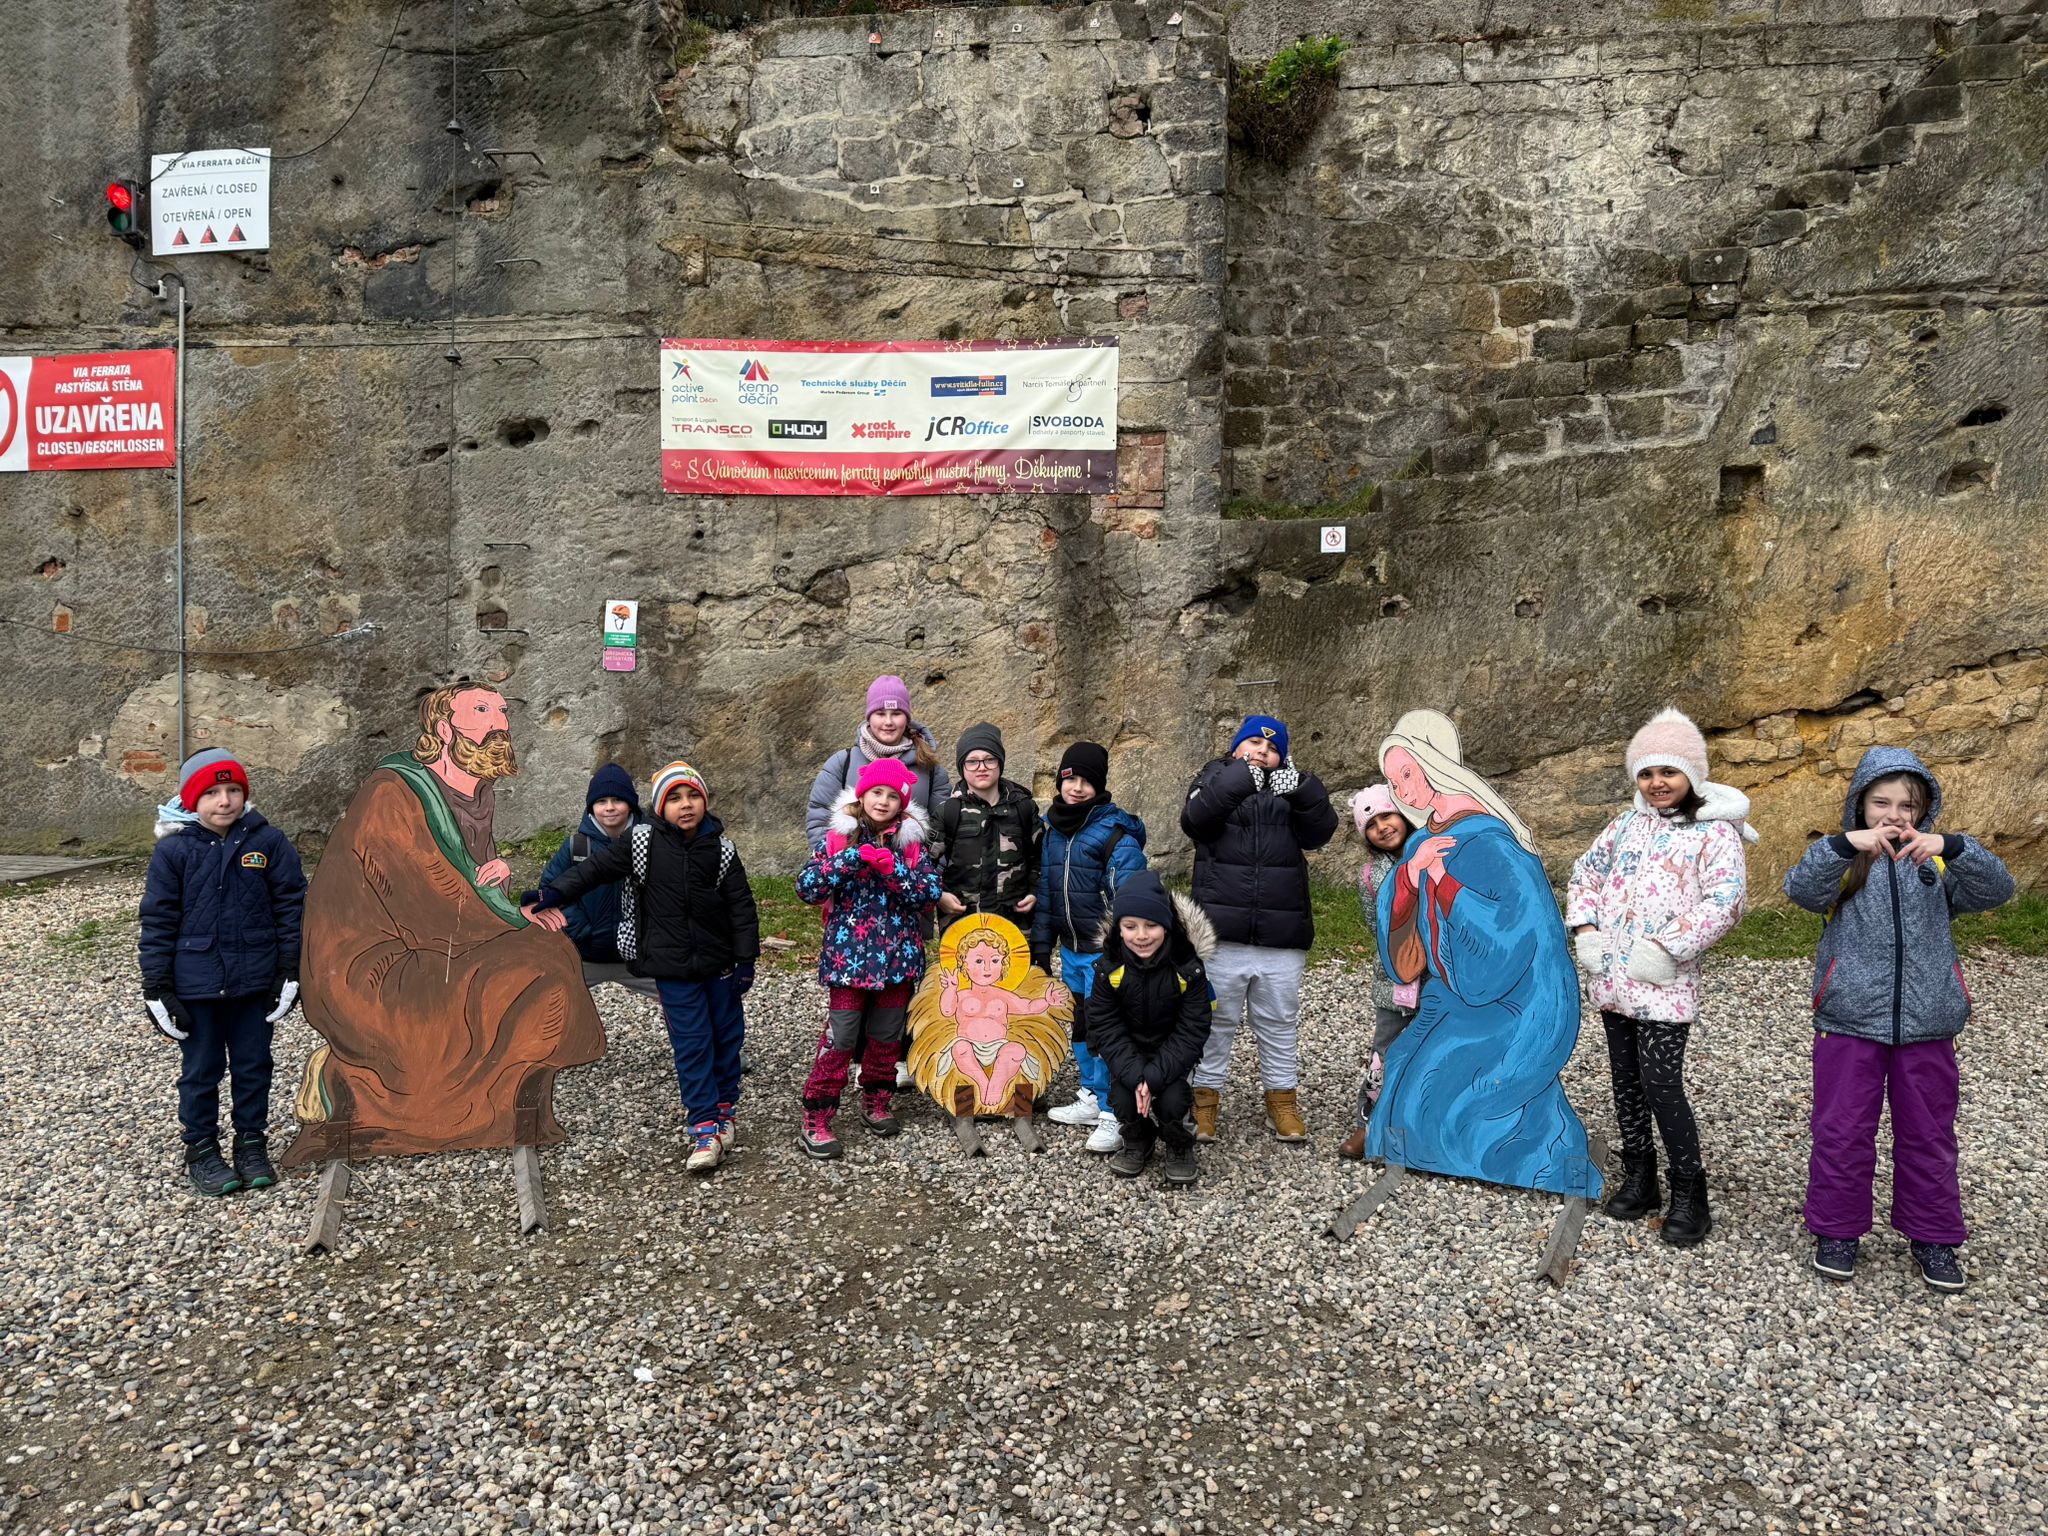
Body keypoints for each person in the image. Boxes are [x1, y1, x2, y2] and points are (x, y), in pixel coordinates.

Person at [282, 684, 606, 1171]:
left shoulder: (477, 791)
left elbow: (468, 880)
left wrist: (497, 875)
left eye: (501, 711)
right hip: (369, 964)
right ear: (443, 729)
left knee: (551, 952)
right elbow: (425, 892)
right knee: (536, 960)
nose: (499, 723)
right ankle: (358, 1082)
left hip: (439, 936)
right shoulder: (392, 793)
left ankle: (498, 1102)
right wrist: (512, 915)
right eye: (482, 711)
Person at [1784, 745, 2014, 1292]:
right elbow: (1802, 890)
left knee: (1929, 1133)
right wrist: (1844, 845)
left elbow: (1998, 890)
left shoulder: (1935, 862)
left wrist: (1954, 847)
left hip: (1928, 1021)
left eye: (1907, 805)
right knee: (1842, 1130)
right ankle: (1837, 1230)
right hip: (1848, 1018)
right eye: (1880, 803)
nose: (1893, 814)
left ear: (1923, 811)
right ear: (1859, 806)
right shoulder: (1843, 858)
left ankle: (1933, 1236)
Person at [1366, 709, 1602, 1200]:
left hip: (1519, 998)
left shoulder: (1493, 841)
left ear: (1434, 765)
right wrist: (1410, 876)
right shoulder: (1425, 839)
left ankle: (1535, 1157)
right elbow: (1404, 920)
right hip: (1458, 993)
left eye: (1407, 773)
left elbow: (1517, 927)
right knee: (1405, 1062)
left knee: (1442, 1087)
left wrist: (1443, 881)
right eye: (1393, 781)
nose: (1401, 790)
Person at [1566, 709, 1752, 1246]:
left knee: (1661, 1085)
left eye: (1669, 771)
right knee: (1625, 1082)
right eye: (1646, 774)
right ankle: (1640, 1176)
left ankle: (1690, 1193)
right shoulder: (1624, 825)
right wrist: (1586, 929)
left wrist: (1667, 946)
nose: (1657, 783)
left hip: (1665, 982)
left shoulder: (1713, 833)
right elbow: (1586, 873)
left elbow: (1725, 900)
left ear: (1692, 774)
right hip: (1613, 978)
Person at [524, 762, 759, 1174]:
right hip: (671, 967)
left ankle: (725, 1112)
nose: (685, 805)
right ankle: (704, 1128)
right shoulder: (642, 842)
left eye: (693, 796)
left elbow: (741, 907)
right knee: (692, 1045)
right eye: (674, 798)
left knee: (726, 1040)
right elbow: (592, 871)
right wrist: (551, 894)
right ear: (658, 806)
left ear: (705, 801)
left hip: (719, 965)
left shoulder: (722, 849)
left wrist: (745, 960)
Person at [140, 750, 308, 1196]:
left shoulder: (268, 843)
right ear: (191, 799)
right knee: (202, 1069)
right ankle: (201, 1149)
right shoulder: (173, 851)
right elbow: (158, 920)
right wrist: (156, 986)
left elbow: (292, 906)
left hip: (255, 981)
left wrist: (289, 969)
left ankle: (251, 1144)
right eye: (212, 792)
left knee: (254, 1065)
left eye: (234, 790)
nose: (225, 800)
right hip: (196, 985)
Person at [1182, 714, 1339, 1144]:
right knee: (1215, 1021)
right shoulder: (1214, 778)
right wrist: (1241, 780)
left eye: (1272, 749)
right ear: (1236, 748)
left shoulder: (1292, 790)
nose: (1262, 752)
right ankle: (1204, 1099)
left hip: (1281, 930)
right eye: (1254, 743)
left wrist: (1303, 789)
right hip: (1220, 932)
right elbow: (1196, 821)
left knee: (1279, 1022)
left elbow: (1320, 833)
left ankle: (1282, 1100)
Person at [796, 757, 943, 1159]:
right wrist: (847, 861)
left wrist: (895, 870)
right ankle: (817, 1114)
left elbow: (929, 894)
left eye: (892, 796)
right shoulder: (838, 839)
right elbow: (806, 887)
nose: (883, 801)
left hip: (897, 960)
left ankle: (877, 1100)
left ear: (902, 803)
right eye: (876, 792)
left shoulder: (910, 845)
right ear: (862, 796)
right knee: (841, 1038)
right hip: (848, 962)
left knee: (886, 1037)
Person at [1032, 742, 1149, 1154]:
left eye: (1087, 781)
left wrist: (1123, 949)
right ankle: (1091, 1095)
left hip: (1104, 951)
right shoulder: (1052, 831)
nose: (1077, 788)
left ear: (1099, 785)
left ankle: (1115, 1111)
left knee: (1108, 1031)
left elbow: (1130, 899)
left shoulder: (1116, 834)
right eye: (1070, 779)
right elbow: (1046, 893)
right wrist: (1042, 946)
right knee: (1081, 1025)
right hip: (1071, 948)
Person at [1087, 871, 1218, 1187]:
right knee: (1122, 1097)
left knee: (1173, 1100)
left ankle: (1178, 1145)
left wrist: (1154, 1077)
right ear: (1119, 929)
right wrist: (1137, 1076)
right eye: (1130, 927)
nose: (1141, 936)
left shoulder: (1188, 968)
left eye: (1151, 925)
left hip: (1172, 1056)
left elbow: (1193, 1029)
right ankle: (1138, 1139)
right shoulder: (1109, 968)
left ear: (1167, 926)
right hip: (1129, 1055)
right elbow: (1105, 1025)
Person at [1338, 785, 1420, 1162]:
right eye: (1371, 825)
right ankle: (1368, 1123)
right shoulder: (1371, 876)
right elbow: (1377, 927)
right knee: (1384, 1055)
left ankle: (1424, 1128)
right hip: (1396, 981)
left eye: (1387, 816)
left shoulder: (1433, 853)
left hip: (1445, 977)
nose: (1382, 827)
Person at [539, 763, 658, 998]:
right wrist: (581, 929)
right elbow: (549, 890)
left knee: (685, 1002)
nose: (609, 807)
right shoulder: (577, 847)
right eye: (602, 801)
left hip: (643, 957)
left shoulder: (654, 843)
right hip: (586, 955)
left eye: (617, 800)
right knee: (546, 1000)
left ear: (631, 804)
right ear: (591, 807)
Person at [805, 674, 950, 846]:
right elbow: (819, 818)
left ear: (907, 718)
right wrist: (836, 859)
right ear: (869, 717)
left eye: (896, 714)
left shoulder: (930, 768)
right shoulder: (842, 763)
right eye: (880, 713)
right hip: (847, 860)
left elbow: (942, 827)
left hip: (910, 862)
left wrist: (924, 861)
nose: (888, 722)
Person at [932, 722, 1040, 930]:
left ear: (1000, 763)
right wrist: (939, 895)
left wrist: (1034, 892)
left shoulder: (1023, 808)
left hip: (1013, 924)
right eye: (972, 761)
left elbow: (1040, 858)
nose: (981, 767)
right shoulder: (949, 812)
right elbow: (923, 863)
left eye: (989, 759)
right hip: (962, 925)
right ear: (962, 767)